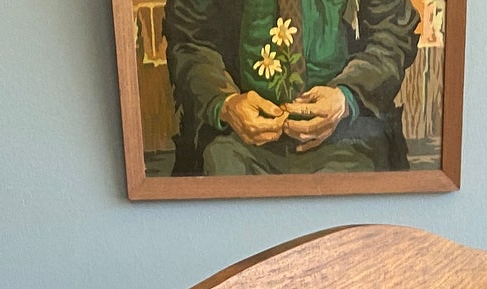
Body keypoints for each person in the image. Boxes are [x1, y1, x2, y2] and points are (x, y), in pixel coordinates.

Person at [164, 0, 419, 176]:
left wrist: (345, 97)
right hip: (235, 140)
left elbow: (392, 35)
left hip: (347, 136)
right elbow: (188, 39)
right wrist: (226, 103)